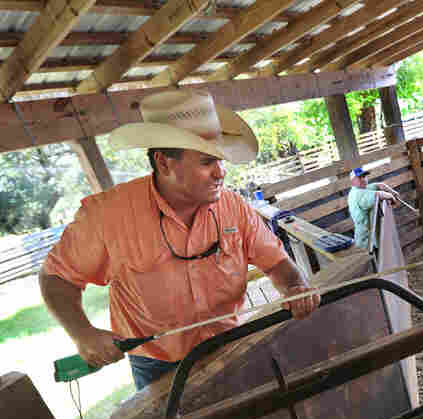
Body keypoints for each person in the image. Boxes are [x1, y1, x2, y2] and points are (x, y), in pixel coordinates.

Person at [40, 89, 320, 391]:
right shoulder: (107, 216)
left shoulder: (234, 207)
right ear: (164, 163)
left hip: (228, 345)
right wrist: (82, 333)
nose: (220, 172)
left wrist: (294, 287)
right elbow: (56, 277)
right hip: (156, 364)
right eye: (206, 162)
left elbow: (278, 263)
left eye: (221, 160)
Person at [347, 167, 401, 249]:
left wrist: (393, 192)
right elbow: (378, 194)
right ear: (353, 181)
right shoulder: (358, 194)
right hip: (366, 241)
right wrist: (392, 198)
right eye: (359, 177)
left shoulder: (361, 189)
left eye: (364, 176)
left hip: (368, 238)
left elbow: (380, 185)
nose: (363, 179)